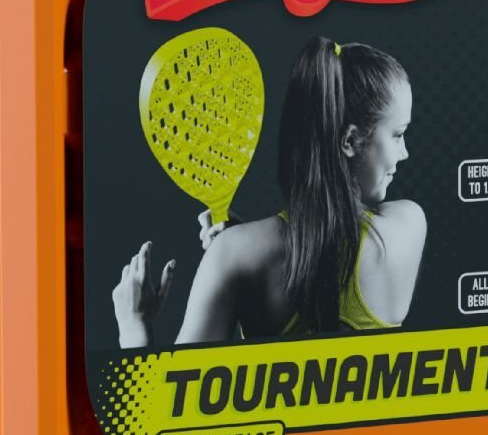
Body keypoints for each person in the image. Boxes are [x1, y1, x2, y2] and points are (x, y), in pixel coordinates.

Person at [113, 37, 427, 346]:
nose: (405, 153)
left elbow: (173, 383)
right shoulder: (409, 225)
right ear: (349, 141)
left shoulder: (235, 255)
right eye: (398, 135)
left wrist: (134, 327)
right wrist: (240, 245)